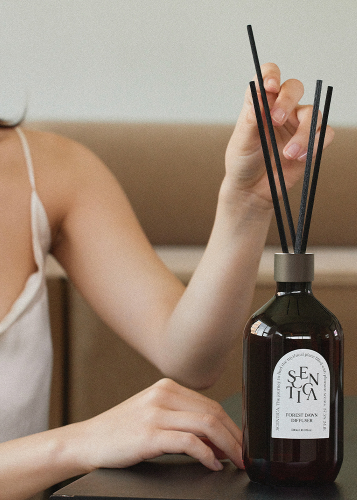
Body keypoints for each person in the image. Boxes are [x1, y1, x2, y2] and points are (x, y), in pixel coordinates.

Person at [0, 63, 334, 500]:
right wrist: (76, 443)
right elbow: (81, 444)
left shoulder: (48, 167)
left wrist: (246, 203)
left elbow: (190, 357)